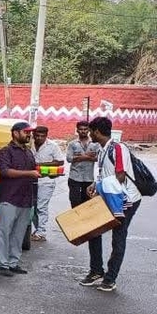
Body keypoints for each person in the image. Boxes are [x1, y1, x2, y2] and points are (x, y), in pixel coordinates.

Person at [79, 117, 142, 292]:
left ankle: (110, 278)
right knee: (93, 232)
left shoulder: (118, 148)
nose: (90, 134)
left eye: (91, 131)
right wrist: (95, 185)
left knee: (118, 238)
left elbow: (120, 176)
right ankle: (96, 271)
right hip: (109, 196)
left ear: (97, 132)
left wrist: (99, 186)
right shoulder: (102, 149)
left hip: (126, 201)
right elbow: (105, 174)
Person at [0, 122, 39, 277]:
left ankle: (13, 263)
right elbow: (5, 172)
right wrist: (30, 174)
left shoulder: (28, 152)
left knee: (18, 234)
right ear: (15, 133)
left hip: (26, 199)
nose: (29, 135)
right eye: (26, 132)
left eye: (29, 132)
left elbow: (34, 171)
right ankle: (1, 264)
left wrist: (46, 172)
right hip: (9, 198)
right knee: (4, 233)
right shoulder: (4, 152)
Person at [31, 126, 64, 242]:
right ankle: (38, 229)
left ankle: (41, 232)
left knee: (41, 207)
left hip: (47, 181)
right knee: (32, 206)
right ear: (33, 135)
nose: (39, 138)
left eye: (42, 136)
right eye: (37, 136)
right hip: (31, 180)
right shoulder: (29, 144)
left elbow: (60, 161)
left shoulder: (53, 146)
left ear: (46, 136)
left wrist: (40, 164)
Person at [66, 120, 100, 211]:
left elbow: (98, 158)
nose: (83, 131)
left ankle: (84, 224)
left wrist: (80, 157)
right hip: (74, 177)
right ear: (77, 130)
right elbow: (69, 159)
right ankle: (75, 222)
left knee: (87, 203)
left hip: (88, 178)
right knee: (74, 202)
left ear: (88, 130)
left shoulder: (95, 143)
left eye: (85, 129)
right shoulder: (72, 144)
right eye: (81, 129)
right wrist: (88, 156)